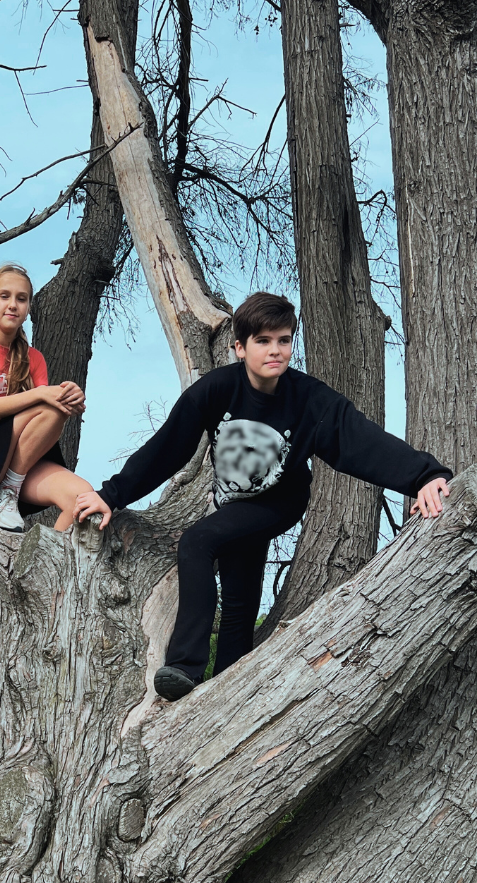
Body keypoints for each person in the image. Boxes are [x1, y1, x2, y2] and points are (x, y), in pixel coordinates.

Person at [73, 291, 452, 701]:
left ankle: (184, 666)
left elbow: (361, 442)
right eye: (263, 340)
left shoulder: (309, 399)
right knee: (239, 599)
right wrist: (111, 495)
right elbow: (167, 448)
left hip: (278, 502)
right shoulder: (215, 391)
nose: (276, 350)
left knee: (198, 541)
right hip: (233, 503)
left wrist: (424, 476)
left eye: (284, 340)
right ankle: (225, 688)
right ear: (240, 347)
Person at [0, 263, 94, 531]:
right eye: (5, 296)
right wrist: (44, 394)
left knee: (83, 497)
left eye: (21, 298)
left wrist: (71, 396)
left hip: (17, 460)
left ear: (27, 309)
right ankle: (6, 491)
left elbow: (48, 413)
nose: (13, 304)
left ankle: (46, 567)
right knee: (51, 406)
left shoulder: (34, 358)